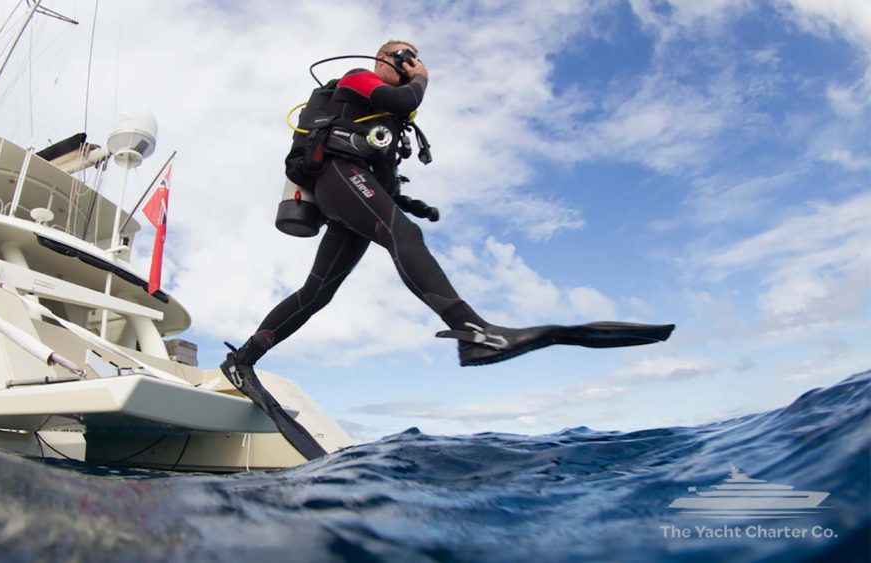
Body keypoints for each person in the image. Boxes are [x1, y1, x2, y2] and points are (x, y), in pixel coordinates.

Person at [222, 41, 673, 404]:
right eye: (406, 60)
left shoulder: (384, 121)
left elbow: (383, 183)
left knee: (318, 293)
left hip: (349, 186)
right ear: (388, 60)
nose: (412, 67)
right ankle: (475, 330)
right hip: (335, 175)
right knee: (402, 235)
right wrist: (421, 77)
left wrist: (415, 204)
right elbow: (400, 98)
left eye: (413, 62)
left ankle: (243, 361)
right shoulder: (360, 79)